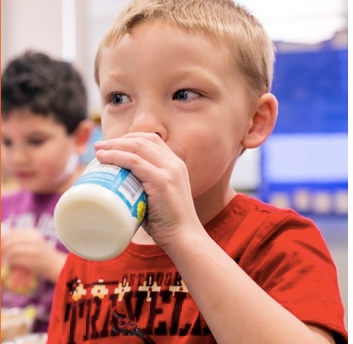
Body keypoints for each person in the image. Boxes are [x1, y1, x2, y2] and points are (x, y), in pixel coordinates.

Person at [47, 0, 348, 343]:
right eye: (118, 98)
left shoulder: (278, 243)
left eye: (183, 94)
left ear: (254, 121)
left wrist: (183, 236)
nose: (142, 126)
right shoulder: (88, 254)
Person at [1, 51, 92, 333]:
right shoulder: (5, 206)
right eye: (6, 141)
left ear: (79, 139)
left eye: (35, 141)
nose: (18, 157)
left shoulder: (94, 208)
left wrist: (51, 263)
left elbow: (110, 291)